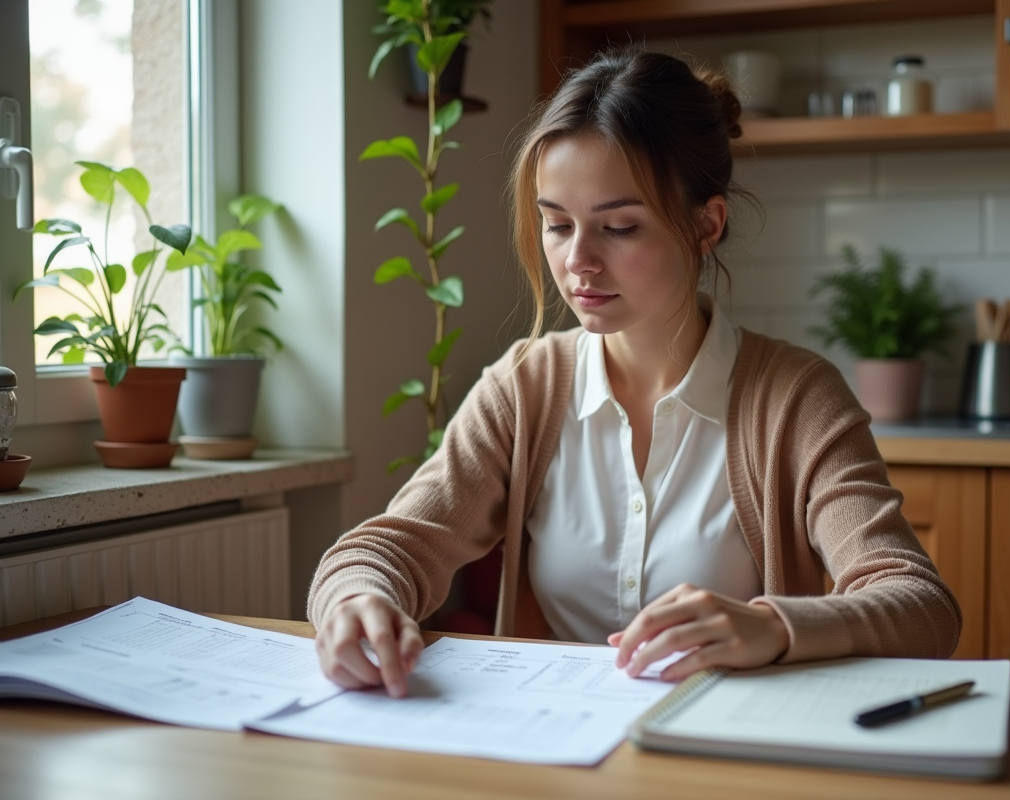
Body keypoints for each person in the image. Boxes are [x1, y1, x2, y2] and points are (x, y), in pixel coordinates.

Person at [308, 47, 961, 699]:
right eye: (556, 224)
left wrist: (774, 627)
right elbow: (384, 550)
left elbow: (921, 604)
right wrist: (358, 601)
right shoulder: (524, 388)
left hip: (726, 742)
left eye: (619, 227)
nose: (578, 261)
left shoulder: (797, 399)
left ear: (706, 224)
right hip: (552, 737)